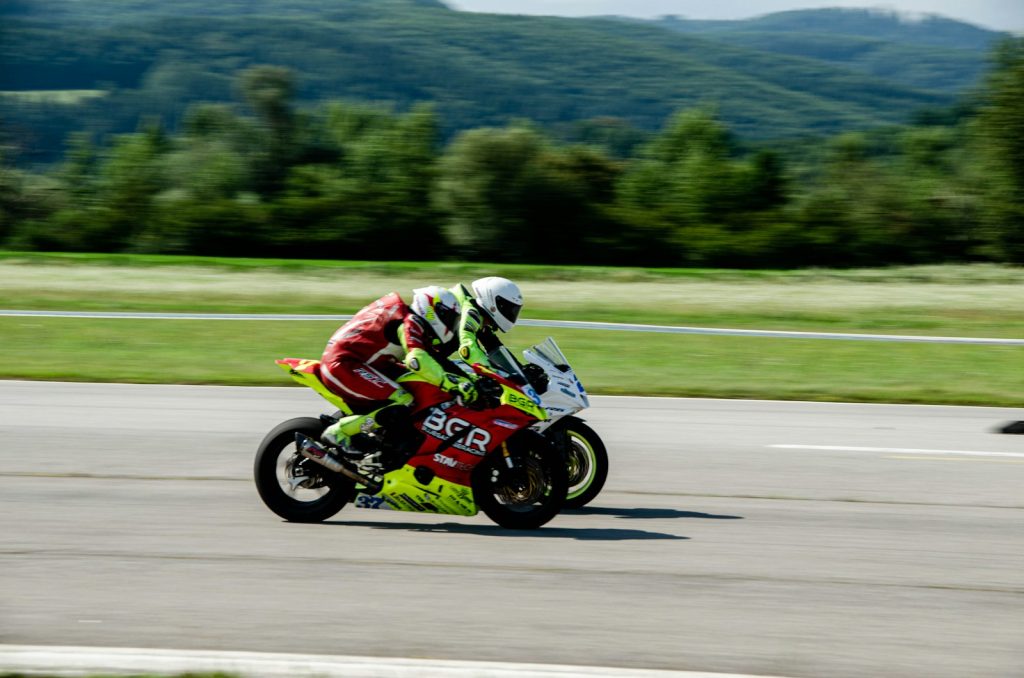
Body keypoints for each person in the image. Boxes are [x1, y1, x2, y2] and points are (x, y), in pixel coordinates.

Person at [300, 286, 477, 471]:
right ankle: (340, 432)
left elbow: (436, 360)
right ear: (434, 310)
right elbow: (417, 359)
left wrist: (469, 378)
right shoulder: (410, 322)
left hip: (360, 364)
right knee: (404, 399)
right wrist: (451, 383)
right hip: (345, 365)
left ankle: (381, 442)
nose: (451, 323)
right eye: (450, 317)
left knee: (415, 386)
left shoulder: (411, 321)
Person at [450, 276, 525, 368]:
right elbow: (467, 350)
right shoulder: (471, 314)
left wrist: (521, 370)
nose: (511, 314)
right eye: (508, 309)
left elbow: (494, 347)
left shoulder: (481, 318)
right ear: (494, 303)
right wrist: (496, 371)